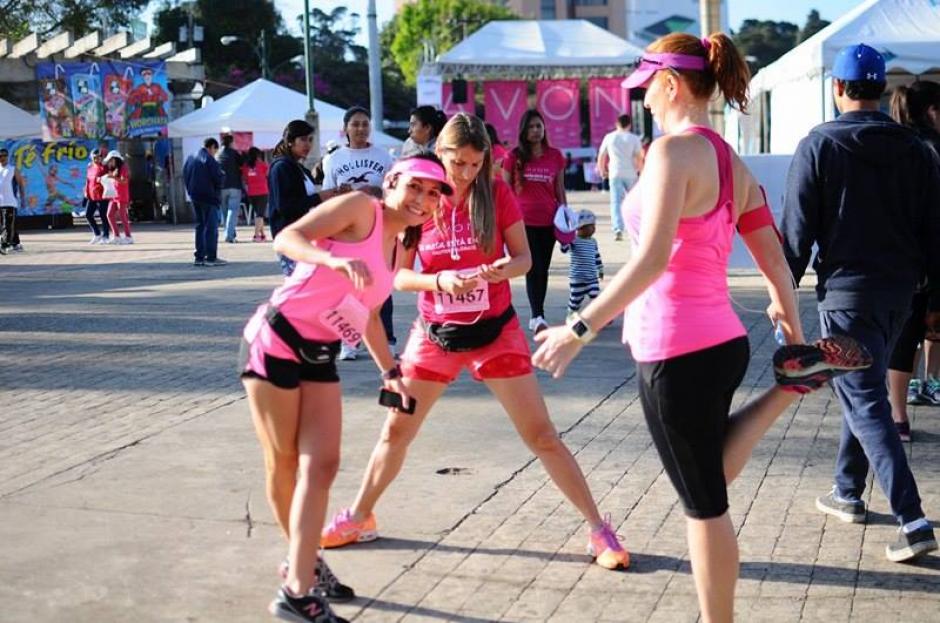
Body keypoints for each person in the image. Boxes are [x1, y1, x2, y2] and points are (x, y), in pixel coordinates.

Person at [532, 33, 877, 622]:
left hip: (675, 350)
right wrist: (792, 337)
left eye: (646, 88)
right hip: (722, 346)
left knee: (704, 506)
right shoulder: (729, 160)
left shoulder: (671, 154)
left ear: (670, 84)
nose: (642, 101)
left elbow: (650, 259)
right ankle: (795, 381)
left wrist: (579, 328)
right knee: (710, 472)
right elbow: (776, 261)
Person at [320, 113, 631, 572]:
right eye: (455, 162)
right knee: (396, 431)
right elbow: (398, 276)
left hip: (496, 333)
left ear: (484, 159)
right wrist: (442, 281)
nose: (463, 174)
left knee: (542, 435)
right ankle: (360, 515)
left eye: (472, 164)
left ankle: (598, 529)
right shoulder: (422, 199)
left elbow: (525, 258)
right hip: (434, 335)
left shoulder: (497, 192)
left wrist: (500, 270)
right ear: (439, 154)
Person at [240, 153, 450, 623]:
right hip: (275, 342)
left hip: (320, 354)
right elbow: (288, 237)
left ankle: (298, 580)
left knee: (324, 464)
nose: (423, 200)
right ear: (392, 181)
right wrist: (330, 260)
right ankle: (303, 573)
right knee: (286, 462)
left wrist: (390, 369)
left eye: (433, 193)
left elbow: (369, 314)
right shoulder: (361, 208)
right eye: (415, 187)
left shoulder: (399, 246)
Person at [782, 43, 940, 563]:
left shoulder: (818, 144)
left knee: (866, 399)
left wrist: (783, 291)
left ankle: (912, 519)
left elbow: (798, 229)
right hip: (901, 296)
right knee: (862, 385)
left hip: (848, 292)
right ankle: (847, 491)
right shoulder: (919, 149)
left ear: (837, 88)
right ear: (882, 89)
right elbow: (936, 231)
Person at [887, 80, 940, 440]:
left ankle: (898, 415)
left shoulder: (894, 147)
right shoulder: (931, 149)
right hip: (929, 254)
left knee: (905, 335)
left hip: (902, 257)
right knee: (930, 325)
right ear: (931, 111)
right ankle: (931, 383)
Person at [323, 106, 395, 361]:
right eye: (355, 124)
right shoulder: (333, 158)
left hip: (376, 228)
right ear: (346, 129)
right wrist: (341, 194)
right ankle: (349, 341)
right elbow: (327, 195)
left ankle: (388, 338)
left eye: (365, 123)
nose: (361, 128)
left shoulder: (384, 157)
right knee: (348, 286)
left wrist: (373, 192)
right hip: (345, 230)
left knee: (379, 284)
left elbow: (393, 193)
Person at [502, 109, 567, 334]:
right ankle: (537, 315)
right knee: (533, 266)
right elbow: (504, 190)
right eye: (531, 127)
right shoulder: (513, 157)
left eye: (539, 126)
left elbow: (559, 188)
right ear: (523, 130)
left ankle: (538, 313)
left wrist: (565, 213)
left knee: (544, 268)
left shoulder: (555, 156)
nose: (536, 131)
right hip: (523, 222)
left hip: (549, 221)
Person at [268, 121, 348, 277]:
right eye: (303, 139)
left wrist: (332, 194)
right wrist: (319, 197)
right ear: (290, 141)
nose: (308, 145)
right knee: (301, 285)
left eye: (310, 140)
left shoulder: (299, 167)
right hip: (291, 237)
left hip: (306, 235)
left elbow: (307, 199)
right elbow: (284, 206)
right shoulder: (282, 167)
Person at [597, 114, 644, 241]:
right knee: (635, 202)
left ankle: (618, 228)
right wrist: (640, 170)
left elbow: (602, 155)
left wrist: (602, 170)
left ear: (616, 124)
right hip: (631, 173)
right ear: (629, 124)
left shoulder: (609, 137)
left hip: (615, 172)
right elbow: (639, 157)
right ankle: (637, 227)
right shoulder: (634, 138)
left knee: (616, 202)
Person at [183, 137, 227, 267]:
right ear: (212, 147)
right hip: (209, 197)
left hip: (195, 196)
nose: (215, 153)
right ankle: (211, 257)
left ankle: (199, 256)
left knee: (200, 226)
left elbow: (185, 175)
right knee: (211, 227)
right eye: (215, 150)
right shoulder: (209, 159)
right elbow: (218, 178)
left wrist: (191, 190)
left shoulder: (190, 158)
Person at [561, 209, 603, 316]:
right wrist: (565, 240)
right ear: (580, 228)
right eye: (591, 226)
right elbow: (564, 249)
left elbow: (596, 256)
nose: (594, 229)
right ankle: (571, 312)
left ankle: (600, 315)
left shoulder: (593, 241)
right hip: (577, 278)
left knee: (596, 296)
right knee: (575, 300)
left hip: (592, 277)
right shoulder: (574, 240)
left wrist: (600, 268)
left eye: (594, 226)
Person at [217, 132, 243, 244]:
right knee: (232, 210)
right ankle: (229, 235)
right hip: (234, 185)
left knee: (224, 211)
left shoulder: (217, 154)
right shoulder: (234, 153)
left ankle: (230, 233)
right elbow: (242, 163)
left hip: (221, 186)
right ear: (231, 142)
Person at [103, 151, 133, 245]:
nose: (109, 163)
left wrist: (113, 177)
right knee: (109, 214)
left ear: (116, 159)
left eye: (110, 160)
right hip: (114, 195)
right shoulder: (115, 169)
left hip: (122, 195)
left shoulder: (124, 167)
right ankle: (116, 236)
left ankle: (128, 237)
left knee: (122, 216)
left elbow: (124, 181)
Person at [0, 147, 26, 254]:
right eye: (1, 156)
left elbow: (21, 183)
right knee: (7, 224)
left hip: (9, 202)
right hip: (0, 202)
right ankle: (16, 243)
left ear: (7, 157)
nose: (2, 158)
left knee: (7, 224)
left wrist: (23, 198)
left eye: (4, 156)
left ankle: (5, 245)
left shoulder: (12, 169)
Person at [241, 147, 269, 243]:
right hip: (262, 191)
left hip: (252, 193)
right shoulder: (262, 165)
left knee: (258, 214)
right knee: (260, 215)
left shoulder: (245, 166)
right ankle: (256, 235)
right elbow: (267, 174)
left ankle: (262, 235)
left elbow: (245, 179)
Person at [83, 150, 110, 244]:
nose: (97, 159)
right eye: (95, 157)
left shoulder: (105, 168)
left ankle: (106, 236)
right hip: (91, 195)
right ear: (92, 157)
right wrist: (86, 193)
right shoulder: (90, 167)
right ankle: (97, 234)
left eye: (99, 157)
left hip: (102, 196)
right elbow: (88, 181)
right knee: (88, 214)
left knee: (104, 216)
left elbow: (109, 179)